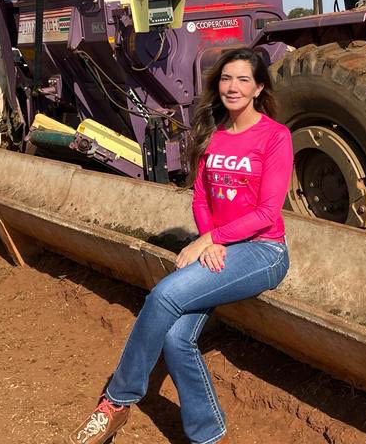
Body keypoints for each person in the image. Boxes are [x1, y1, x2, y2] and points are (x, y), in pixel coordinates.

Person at [68, 46, 293, 444]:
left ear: (259, 88)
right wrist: (209, 242)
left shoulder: (275, 137)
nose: (233, 86)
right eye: (226, 78)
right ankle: (208, 433)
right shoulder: (213, 132)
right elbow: (200, 198)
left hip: (263, 251)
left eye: (243, 79)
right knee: (175, 338)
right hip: (219, 248)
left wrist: (211, 238)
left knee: (164, 296)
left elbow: (267, 211)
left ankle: (117, 401)